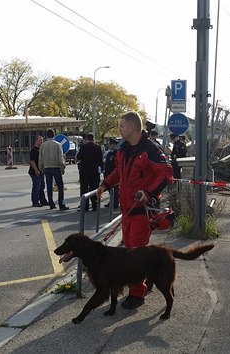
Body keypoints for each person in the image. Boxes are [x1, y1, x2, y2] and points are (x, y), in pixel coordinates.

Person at [96, 111, 173, 310]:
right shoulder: (124, 149)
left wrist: (149, 192)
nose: (119, 129)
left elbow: (166, 173)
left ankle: (137, 294)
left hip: (141, 210)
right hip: (128, 209)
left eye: (121, 125)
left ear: (132, 127)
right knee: (132, 250)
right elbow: (119, 173)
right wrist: (105, 184)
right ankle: (145, 284)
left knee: (134, 255)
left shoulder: (150, 149)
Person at [39, 129, 69, 210]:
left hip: (47, 167)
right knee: (60, 186)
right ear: (54, 135)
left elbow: (40, 158)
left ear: (46, 135)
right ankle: (61, 203)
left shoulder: (43, 145)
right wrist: (62, 167)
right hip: (56, 167)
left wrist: (41, 167)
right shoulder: (58, 144)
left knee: (49, 186)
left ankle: (51, 203)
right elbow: (60, 157)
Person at [76, 133, 103, 211]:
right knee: (94, 188)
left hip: (84, 171)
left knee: (84, 189)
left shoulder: (83, 147)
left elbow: (78, 157)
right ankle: (95, 205)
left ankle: (85, 206)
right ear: (93, 139)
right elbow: (100, 160)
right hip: (94, 171)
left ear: (87, 139)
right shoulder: (97, 147)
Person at [28, 135, 49, 207]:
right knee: (36, 186)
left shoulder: (40, 149)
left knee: (42, 186)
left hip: (41, 171)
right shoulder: (34, 150)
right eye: (40, 140)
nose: (42, 141)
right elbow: (32, 161)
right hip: (34, 172)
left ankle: (43, 200)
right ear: (36, 141)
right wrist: (36, 170)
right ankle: (35, 201)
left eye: (42, 140)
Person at [103, 138, 119, 208]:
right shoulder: (109, 153)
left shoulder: (116, 153)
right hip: (108, 173)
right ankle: (111, 201)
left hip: (114, 174)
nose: (109, 145)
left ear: (114, 145)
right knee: (110, 189)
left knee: (115, 189)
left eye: (110, 144)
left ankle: (115, 203)